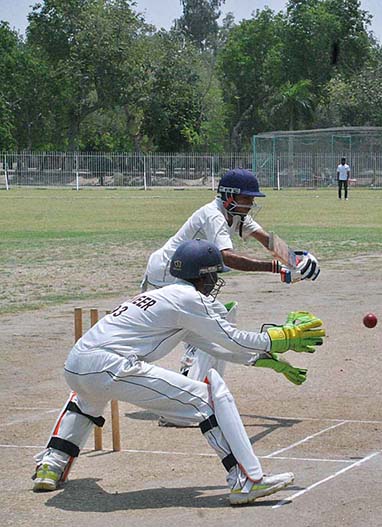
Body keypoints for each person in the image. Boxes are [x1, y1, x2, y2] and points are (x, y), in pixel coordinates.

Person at [32, 240, 326, 505]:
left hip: (77, 365)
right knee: (208, 398)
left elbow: (215, 347)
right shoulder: (191, 300)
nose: (217, 281)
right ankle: (246, 480)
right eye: (216, 275)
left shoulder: (165, 296)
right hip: (112, 367)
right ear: (206, 275)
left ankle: (51, 465)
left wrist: (266, 360)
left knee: (87, 397)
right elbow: (233, 338)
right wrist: (283, 337)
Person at [141, 168, 320, 387]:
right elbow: (226, 258)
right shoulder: (213, 215)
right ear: (229, 196)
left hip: (187, 277)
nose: (251, 203)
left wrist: (296, 260)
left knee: (220, 319)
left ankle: (207, 387)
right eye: (247, 198)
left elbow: (267, 241)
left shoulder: (237, 215)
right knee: (204, 329)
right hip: (167, 275)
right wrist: (277, 268)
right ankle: (189, 388)